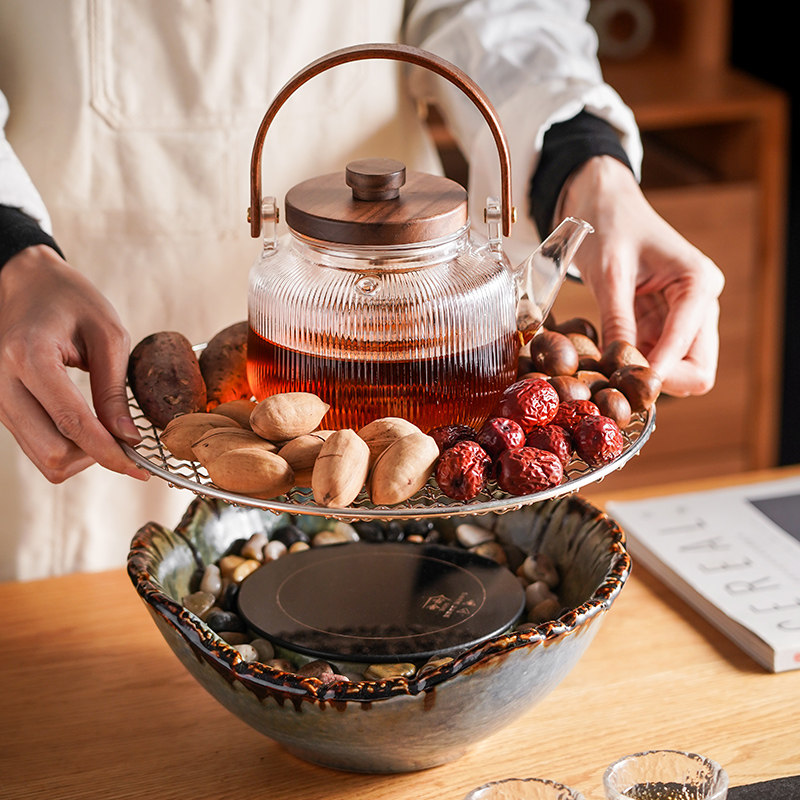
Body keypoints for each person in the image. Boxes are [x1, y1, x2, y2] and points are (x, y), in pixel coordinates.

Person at [0, 0, 723, 581]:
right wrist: (11, 251)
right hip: (65, 291)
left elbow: (497, 11)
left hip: (415, 292)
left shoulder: (479, 275)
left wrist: (588, 165)